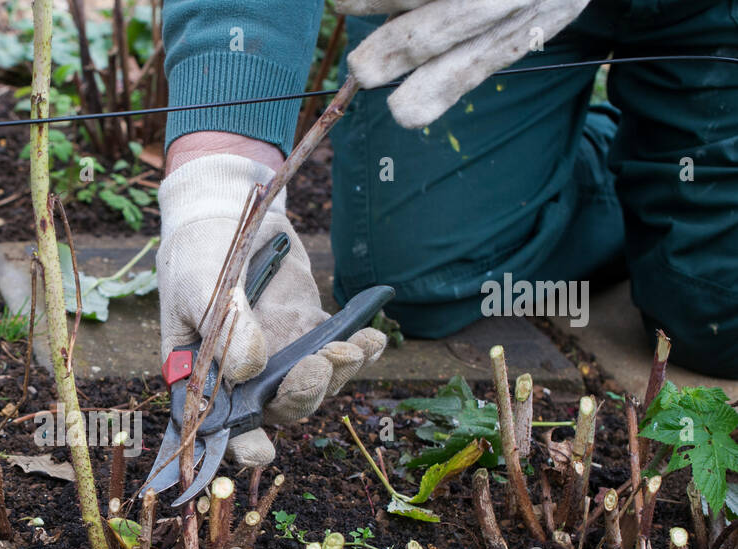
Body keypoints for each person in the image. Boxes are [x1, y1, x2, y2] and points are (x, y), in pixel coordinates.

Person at [159, 0, 738, 468]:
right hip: (477, 11)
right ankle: (592, 173)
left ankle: (663, 169)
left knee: (717, 314)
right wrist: (222, 182)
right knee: (417, 277)